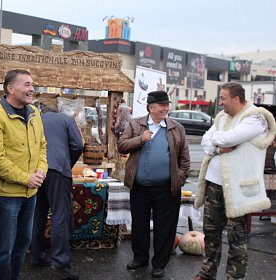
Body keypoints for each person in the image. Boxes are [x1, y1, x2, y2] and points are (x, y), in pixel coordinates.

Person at [193, 82, 276, 280]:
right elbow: (207, 140)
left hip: (238, 189)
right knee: (211, 232)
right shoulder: (222, 117)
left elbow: (231, 138)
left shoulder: (256, 118)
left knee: (236, 236)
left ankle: (234, 277)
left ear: (236, 99)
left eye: (223, 98)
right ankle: (207, 273)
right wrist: (217, 146)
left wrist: (217, 139)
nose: (220, 102)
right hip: (214, 183)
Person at [0, 69, 48, 280]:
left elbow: (42, 147)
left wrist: (40, 171)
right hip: (6, 195)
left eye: (32, 84)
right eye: (26, 84)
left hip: (30, 194)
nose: (32, 88)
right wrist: (25, 178)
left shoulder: (35, 113)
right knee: (4, 250)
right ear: (10, 88)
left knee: (22, 246)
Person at [118, 90, 190, 278]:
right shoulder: (136, 124)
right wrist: (140, 139)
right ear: (151, 107)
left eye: (167, 105)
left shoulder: (176, 128)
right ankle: (140, 258)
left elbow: (185, 158)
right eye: (162, 105)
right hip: (140, 187)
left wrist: (179, 178)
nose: (166, 108)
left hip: (166, 189)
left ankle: (159, 263)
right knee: (140, 225)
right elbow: (122, 145)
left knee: (164, 228)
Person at [29, 104, 83, 280]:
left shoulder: (34, 120)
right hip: (59, 170)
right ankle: (60, 261)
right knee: (60, 215)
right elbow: (77, 145)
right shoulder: (66, 119)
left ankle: (36, 256)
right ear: (57, 111)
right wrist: (67, 162)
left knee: (37, 214)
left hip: (36, 171)